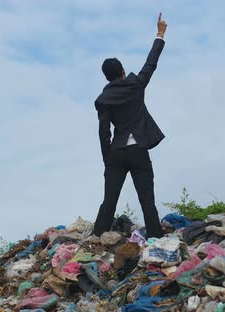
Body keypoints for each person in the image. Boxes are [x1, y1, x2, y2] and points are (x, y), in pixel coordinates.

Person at [91, 13, 168, 239]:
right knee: (147, 200)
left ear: (107, 78)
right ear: (123, 71)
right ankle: (155, 239)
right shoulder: (135, 84)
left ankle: (97, 238)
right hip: (137, 150)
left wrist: (108, 158)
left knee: (109, 201)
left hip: (117, 152)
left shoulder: (103, 100)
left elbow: (103, 132)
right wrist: (160, 34)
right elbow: (150, 63)